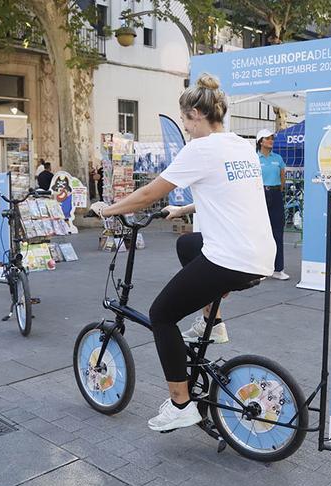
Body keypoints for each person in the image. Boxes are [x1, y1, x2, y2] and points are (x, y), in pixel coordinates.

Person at [89, 73, 275, 431]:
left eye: (186, 121)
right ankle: (212, 322)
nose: (186, 129)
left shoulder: (200, 148)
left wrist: (109, 209)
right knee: (187, 243)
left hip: (230, 259)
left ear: (196, 114)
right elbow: (226, 195)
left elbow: (148, 194)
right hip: (259, 256)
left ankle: (181, 404)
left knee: (161, 314)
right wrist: (182, 210)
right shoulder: (239, 144)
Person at [255, 129, 289, 280]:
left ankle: (278, 269)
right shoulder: (254, 158)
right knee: (260, 232)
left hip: (275, 195)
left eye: (272, 139)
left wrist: (278, 191)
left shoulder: (278, 158)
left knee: (277, 232)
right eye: (267, 139)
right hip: (259, 195)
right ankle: (260, 269)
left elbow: (282, 177)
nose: (271, 141)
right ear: (260, 141)